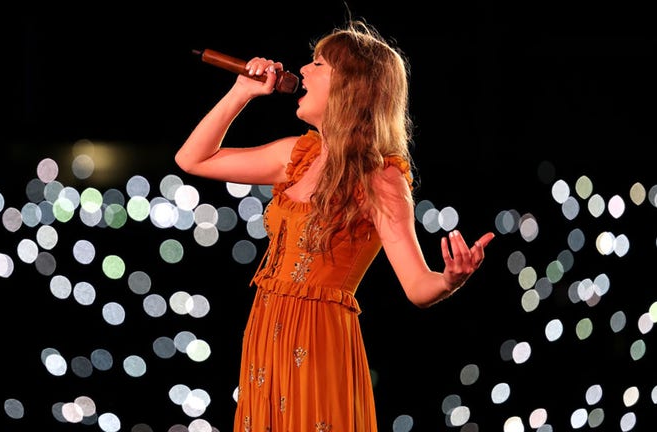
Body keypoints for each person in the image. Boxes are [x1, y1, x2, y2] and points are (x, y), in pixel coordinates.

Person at [175, 19, 495, 432]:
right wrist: (241, 93)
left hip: (318, 340)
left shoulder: (381, 177)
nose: (303, 71)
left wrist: (451, 279)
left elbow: (417, 287)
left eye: (318, 64)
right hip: (265, 332)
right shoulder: (296, 155)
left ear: (352, 86)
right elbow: (192, 160)